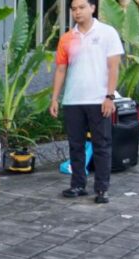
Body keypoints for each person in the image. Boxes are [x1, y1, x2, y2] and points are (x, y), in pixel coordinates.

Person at [50, 0, 123, 204]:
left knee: (101, 145)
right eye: (73, 9)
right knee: (75, 145)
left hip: (98, 99)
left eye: (82, 7)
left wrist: (109, 97)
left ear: (92, 8)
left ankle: (101, 189)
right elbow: (61, 69)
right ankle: (78, 185)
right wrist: (55, 98)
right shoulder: (67, 38)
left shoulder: (108, 33)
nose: (77, 12)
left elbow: (113, 68)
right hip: (73, 100)